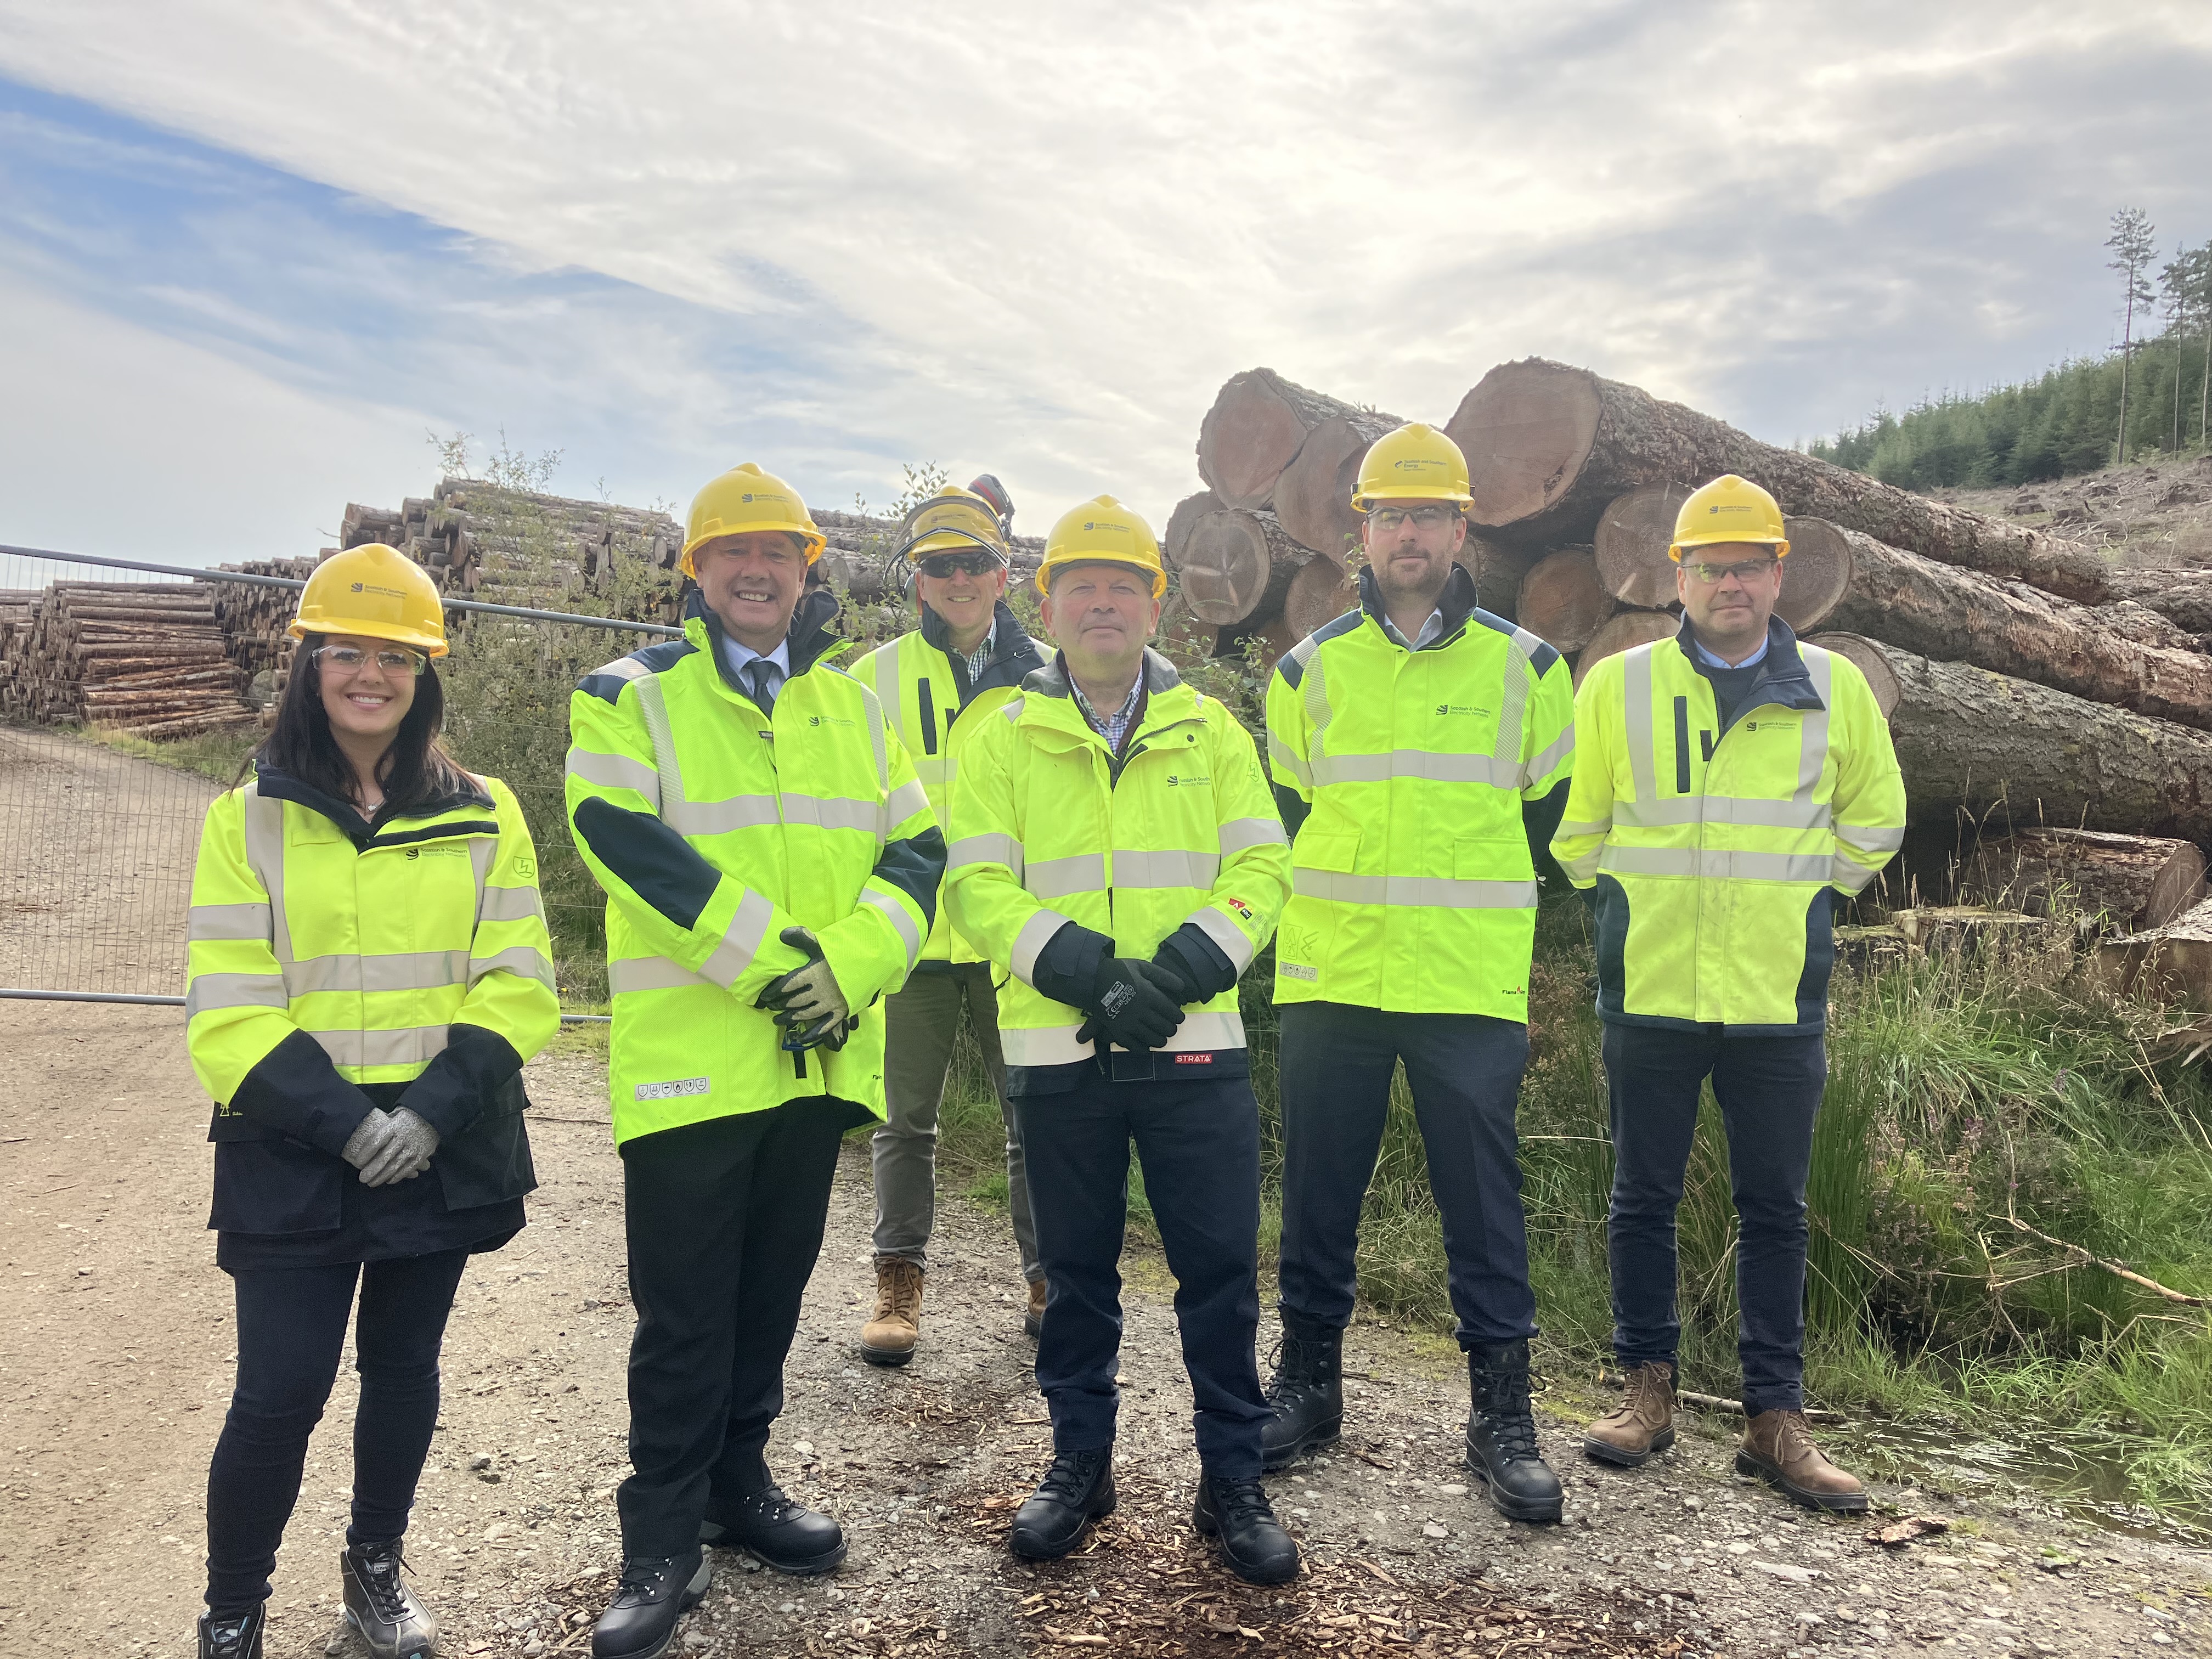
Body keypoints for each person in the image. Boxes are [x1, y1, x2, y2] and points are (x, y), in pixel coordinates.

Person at [565, 462, 944, 1659]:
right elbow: (622, 840)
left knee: (769, 1297)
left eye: (777, 552)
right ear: (697, 573)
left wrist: (851, 966)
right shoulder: (627, 697)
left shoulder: (855, 708)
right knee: (683, 1317)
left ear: (805, 572)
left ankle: (739, 1490)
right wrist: (783, 968)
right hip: (697, 1066)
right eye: (732, 553)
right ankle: (659, 1539)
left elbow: (920, 855)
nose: (756, 569)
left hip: (814, 1064)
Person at [184, 543, 560, 1659]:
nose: (370, 676)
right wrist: (349, 1123)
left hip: (435, 1141)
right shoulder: (244, 816)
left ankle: (374, 1571)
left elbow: (520, 983)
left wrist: (433, 1112)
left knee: (404, 1374)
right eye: (347, 653)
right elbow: (229, 1010)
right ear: (308, 665)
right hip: (296, 1146)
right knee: (280, 1392)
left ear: (425, 674)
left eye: (394, 657)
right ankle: (233, 1609)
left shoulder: (486, 811)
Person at [944, 495, 1300, 1584]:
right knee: (1077, 1277)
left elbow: (1263, 870)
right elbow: (977, 885)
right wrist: (1089, 975)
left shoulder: (1215, 731)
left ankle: (1231, 1480)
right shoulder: (998, 735)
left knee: (1220, 1279)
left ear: (1157, 604)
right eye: (1082, 586)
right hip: (1059, 1053)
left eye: (1125, 586)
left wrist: (1190, 966)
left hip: (1197, 1050)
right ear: (1047, 605)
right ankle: (1079, 1466)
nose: (1103, 602)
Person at [1551, 473, 1905, 1513]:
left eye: (1749, 565)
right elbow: (1579, 831)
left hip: (1774, 995)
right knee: (1642, 1198)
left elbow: (1875, 821)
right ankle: (1646, 1392)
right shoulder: (1618, 687)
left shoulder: (1837, 689)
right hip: (1652, 985)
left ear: (1778, 574)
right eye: (1711, 566)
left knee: (1776, 1208)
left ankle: (1773, 1420)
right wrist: (1628, 906)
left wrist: (1801, 904)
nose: (1730, 583)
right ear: (1679, 577)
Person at [1259, 424, 1578, 1524]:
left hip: (1464, 983)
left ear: (1460, 528)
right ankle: (1307, 1387)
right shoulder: (1308, 671)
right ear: (1364, 528)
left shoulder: (1529, 670)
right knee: (1319, 1192)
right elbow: (1292, 812)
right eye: (1390, 514)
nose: (1409, 533)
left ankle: (1503, 1416)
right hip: (1334, 976)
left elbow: (1547, 817)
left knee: (1484, 1204)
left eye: (1429, 514)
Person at [846, 480, 1048, 1364]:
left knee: (1034, 1114)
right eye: (940, 566)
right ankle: (898, 1284)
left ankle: (1050, 1280)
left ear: (1003, 574)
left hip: (1014, 934)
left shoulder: (1051, 675)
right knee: (904, 1120)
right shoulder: (871, 679)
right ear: (917, 580)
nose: (959, 579)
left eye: (974, 563)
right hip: (915, 936)